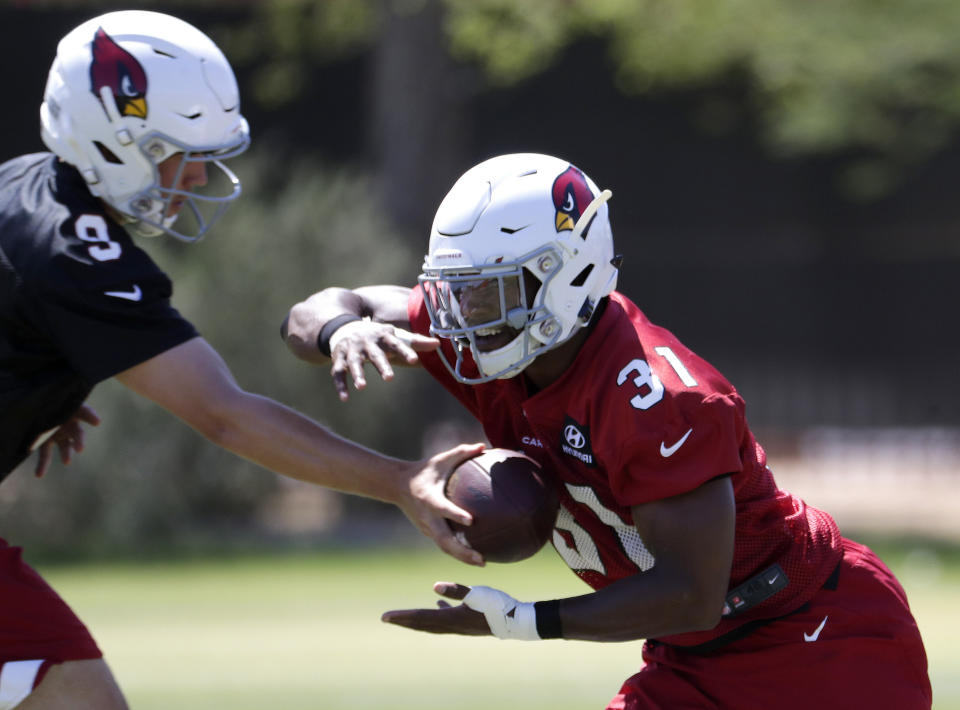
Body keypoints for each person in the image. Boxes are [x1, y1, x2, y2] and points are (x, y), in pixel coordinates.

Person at [283, 153, 933, 709]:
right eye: (459, 294)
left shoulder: (658, 395)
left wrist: (527, 622)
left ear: (566, 275)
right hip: (691, 657)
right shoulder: (490, 340)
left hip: (811, 636)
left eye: (489, 296)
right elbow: (318, 310)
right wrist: (345, 329)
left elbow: (691, 592)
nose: (464, 320)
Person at [0, 11, 484, 710]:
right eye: (178, 150)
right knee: (78, 697)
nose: (198, 171)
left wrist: (39, 386)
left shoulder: (23, 184)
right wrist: (398, 482)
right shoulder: (79, 255)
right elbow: (226, 416)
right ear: (116, 140)